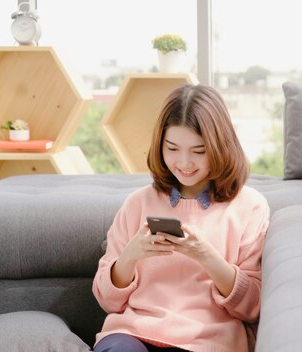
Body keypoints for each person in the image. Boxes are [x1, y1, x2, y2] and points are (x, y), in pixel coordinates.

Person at [92, 84, 270, 352]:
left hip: (208, 342)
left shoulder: (249, 207)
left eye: (198, 151)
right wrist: (130, 256)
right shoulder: (138, 203)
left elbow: (253, 307)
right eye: (172, 148)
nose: (184, 163)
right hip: (132, 335)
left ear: (221, 146)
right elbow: (107, 300)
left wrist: (206, 256)